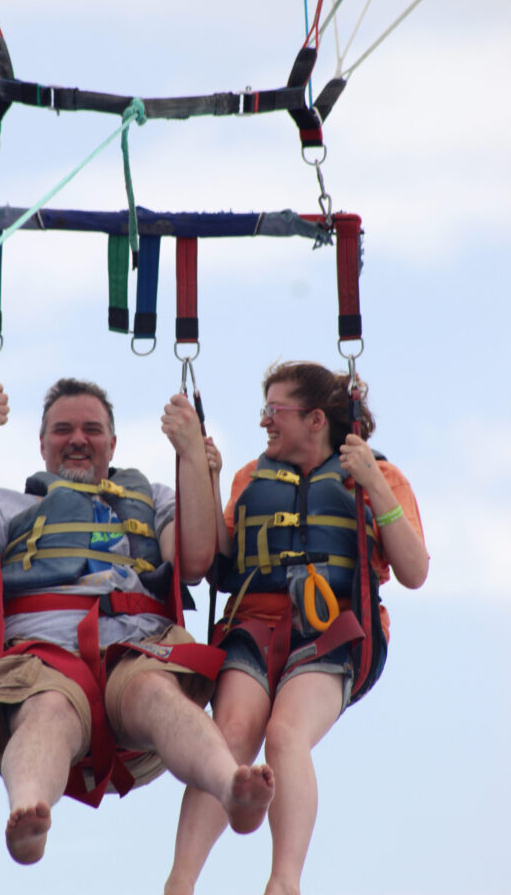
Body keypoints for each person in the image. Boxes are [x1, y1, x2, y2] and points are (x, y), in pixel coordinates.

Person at [0, 377, 274, 866]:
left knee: (157, 694)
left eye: (92, 429)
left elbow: (196, 560)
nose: (77, 439)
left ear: (112, 443)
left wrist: (191, 456)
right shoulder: (5, 506)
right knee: (47, 709)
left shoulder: (152, 497)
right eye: (63, 430)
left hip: (138, 650)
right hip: (40, 658)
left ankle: (231, 784)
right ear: (42, 444)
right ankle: (29, 810)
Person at [164, 360, 429, 895]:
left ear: (314, 419)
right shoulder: (249, 478)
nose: (264, 421)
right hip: (254, 626)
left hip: (334, 632)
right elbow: (221, 561)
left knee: (285, 735)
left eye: (273, 410)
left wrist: (373, 484)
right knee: (232, 735)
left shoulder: (378, 475)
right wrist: (208, 479)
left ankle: (284, 883)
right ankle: (181, 882)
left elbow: (415, 572)